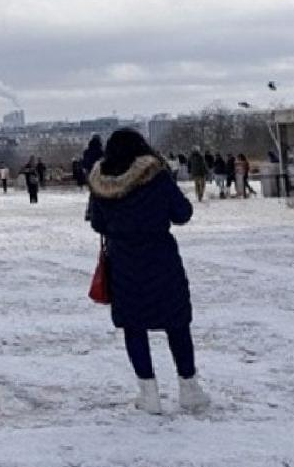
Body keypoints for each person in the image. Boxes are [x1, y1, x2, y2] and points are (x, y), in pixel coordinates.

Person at [87, 129, 210, 414]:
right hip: (160, 258)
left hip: (123, 262)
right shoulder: (156, 176)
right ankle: (189, 387)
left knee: (134, 325)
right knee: (176, 322)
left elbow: (97, 223)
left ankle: (148, 393)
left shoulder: (101, 182)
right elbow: (182, 213)